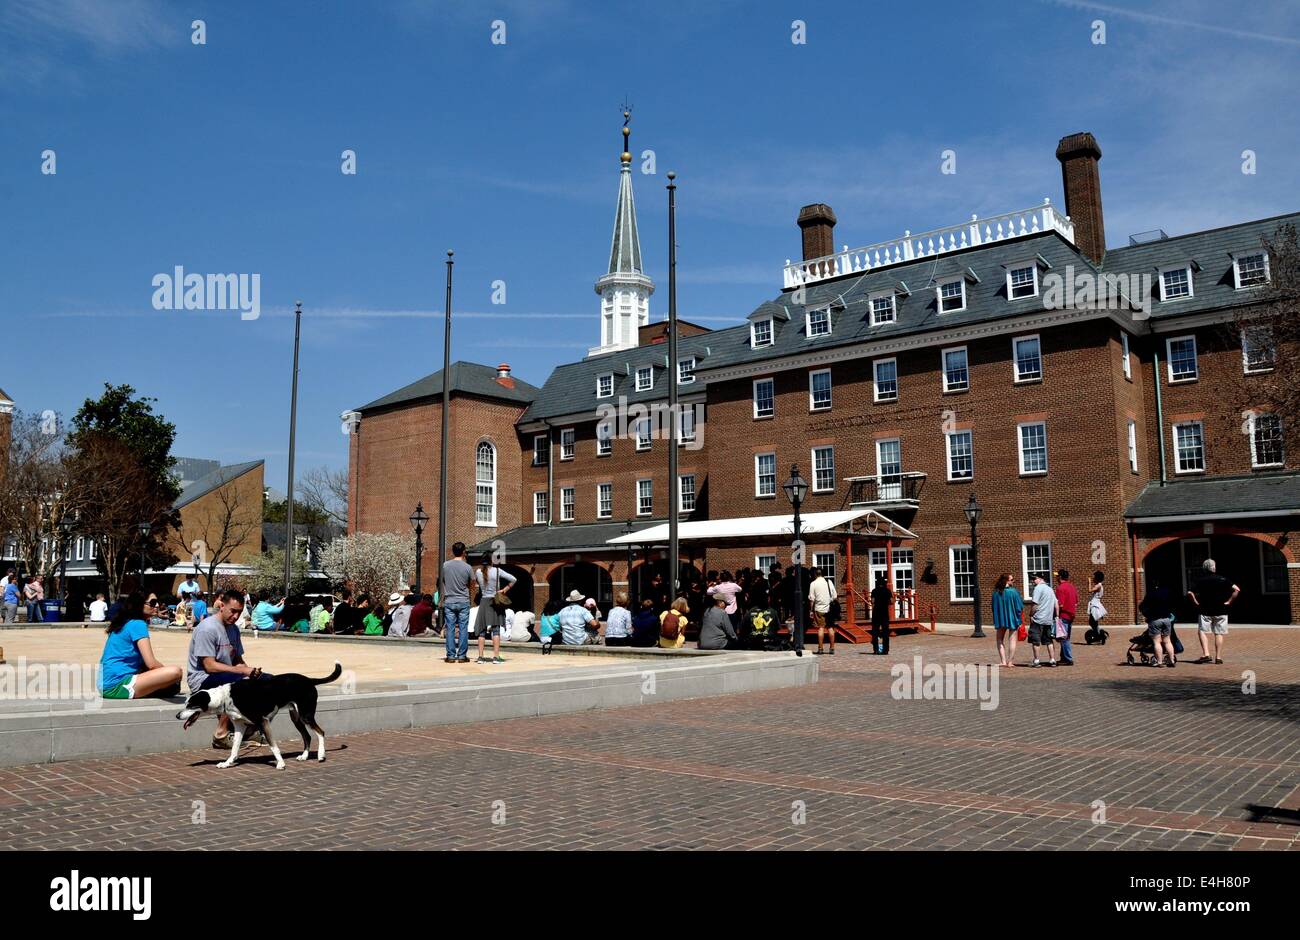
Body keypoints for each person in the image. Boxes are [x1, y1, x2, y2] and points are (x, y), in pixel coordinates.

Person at [186, 590, 265, 747]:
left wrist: (252, 672)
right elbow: (209, 666)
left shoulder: (234, 629)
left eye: (239, 613)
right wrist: (243, 672)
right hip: (202, 679)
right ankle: (221, 734)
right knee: (238, 683)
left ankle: (248, 729)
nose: (236, 617)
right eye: (233, 611)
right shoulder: (207, 628)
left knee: (266, 681)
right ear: (222, 605)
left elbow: (238, 661)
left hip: (225, 675)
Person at [98, 592, 183, 700]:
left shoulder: (125, 622)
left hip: (105, 683)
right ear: (139, 604)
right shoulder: (138, 624)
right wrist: (167, 675)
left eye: (157, 602)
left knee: (169, 680)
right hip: (116, 685)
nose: (157, 605)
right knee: (176, 672)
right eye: (152, 603)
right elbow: (151, 663)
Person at [1188, 558, 1239, 665]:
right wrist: (1229, 601)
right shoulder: (1223, 579)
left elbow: (1190, 593)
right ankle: (1218, 657)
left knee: (1202, 631)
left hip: (1205, 610)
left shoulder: (1200, 580)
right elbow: (1237, 589)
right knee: (1219, 633)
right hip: (1221, 609)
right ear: (1214, 567)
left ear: (1204, 568)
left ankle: (1206, 654)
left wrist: (1196, 602)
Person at [473, 553, 517, 663]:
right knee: (496, 630)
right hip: (495, 601)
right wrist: (504, 590)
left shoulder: (478, 572)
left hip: (484, 602)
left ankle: (480, 657)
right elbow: (513, 579)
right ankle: (496, 657)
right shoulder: (497, 571)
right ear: (491, 561)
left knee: (482, 630)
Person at [441, 541, 475, 663]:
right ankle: (461, 655)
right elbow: (472, 583)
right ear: (464, 551)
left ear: (452, 551)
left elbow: (442, 581)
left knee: (450, 628)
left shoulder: (446, 565)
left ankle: (450, 655)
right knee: (463, 628)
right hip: (463, 600)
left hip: (449, 600)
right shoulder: (468, 567)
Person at [1139, 578, 1177, 668]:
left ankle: (1160, 662)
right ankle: (1171, 660)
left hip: (1155, 619)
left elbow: (1142, 606)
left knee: (1157, 642)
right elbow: (1173, 604)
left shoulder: (1151, 593)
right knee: (1167, 641)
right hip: (1166, 619)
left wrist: (1147, 615)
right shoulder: (1167, 592)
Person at [1025, 573, 1058, 667]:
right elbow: (1056, 604)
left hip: (1038, 619)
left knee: (1035, 640)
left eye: (1034, 579)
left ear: (1040, 578)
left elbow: (1035, 604)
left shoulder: (1038, 589)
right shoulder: (1050, 589)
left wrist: (1031, 614)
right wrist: (1057, 616)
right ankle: (1052, 660)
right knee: (1049, 640)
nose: (1032, 581)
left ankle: (1036, 661)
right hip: (1048, 619)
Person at [991, 573, 1024, 667]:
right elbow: (1019, 607)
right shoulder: (1014, 592)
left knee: (999, 639)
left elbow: (993, 607)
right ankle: (1010, 662)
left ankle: (1003, 661)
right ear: (1007, 581)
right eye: (1012, 579)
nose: (1013, 581)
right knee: (1012, 640)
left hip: (1000, 619)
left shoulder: (995, 592)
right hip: (1013, 619)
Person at [808, 567, 837, 655]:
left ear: (815, 574)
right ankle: (832, 648)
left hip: (818, 609)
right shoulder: (829, 582)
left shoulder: (813, 584)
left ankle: (820, 648)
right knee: (830, 628)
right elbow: (835, 596)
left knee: (821, 628)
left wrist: (811, 611)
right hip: (829, 609)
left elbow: (811, 599)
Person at [1055, 569, 1078, 666]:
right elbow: (1076, 602)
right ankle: (1063, 657)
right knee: (1065, 637)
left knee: (1063, 638)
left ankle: (1068, 658)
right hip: (1071, 615)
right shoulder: (1072, 587)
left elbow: (1059, 604)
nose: (1056, 577)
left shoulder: (1060, 588)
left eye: (1057, 576)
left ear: (1060, 577)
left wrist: (1055, 615)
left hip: (1063, 615)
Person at [869, 573, 893, 655]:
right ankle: (885, 650)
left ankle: (876, 650)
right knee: (885, 632)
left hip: (876, 613)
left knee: (875, 632)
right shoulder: (887, 591)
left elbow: (872, 602)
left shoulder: (874, 591)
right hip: (884, 614)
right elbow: (892, 601)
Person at [1086, 570, 1108, 644]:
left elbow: (1089, 590)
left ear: (1097, 578)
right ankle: (1099, 633)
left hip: (1095, 605)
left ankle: (1098, 635)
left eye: (1094, 577)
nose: (1093, 579)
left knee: (1092, 622)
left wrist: (1089, 583)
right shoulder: (1100, 585)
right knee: (1094, 622)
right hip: (1096, 604)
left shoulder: (1098, 585)